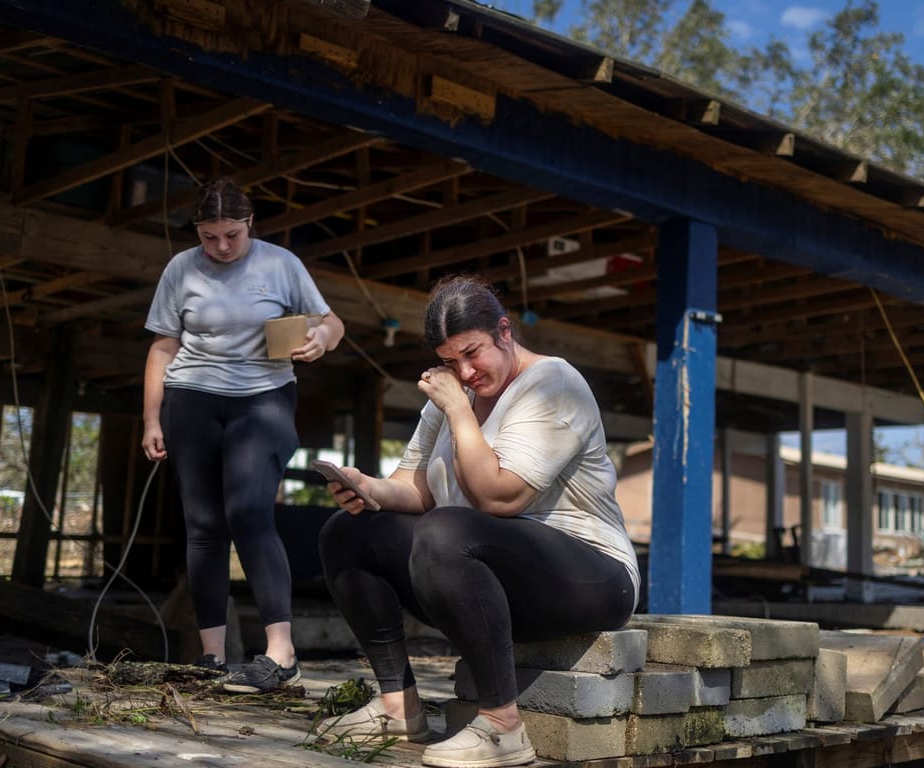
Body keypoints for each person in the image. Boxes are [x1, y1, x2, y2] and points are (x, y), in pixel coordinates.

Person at [315, 275, 639, 768]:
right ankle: (397, 705)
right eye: (450, 361)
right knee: (350, 531)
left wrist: (457, 411)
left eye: (473, 353)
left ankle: (503, 728)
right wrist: (365, 487)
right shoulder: (454, 396)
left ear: (505, 332)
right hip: (487, 573)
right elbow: (415, 488)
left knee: (446, 530)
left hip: (591, 577)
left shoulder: (554, 384)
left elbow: (498, 497)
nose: (464, 373)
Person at [141, 176, 345, 693]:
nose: (221, 246)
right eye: (209, 236)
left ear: (249, 224)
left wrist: (320, 338)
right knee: (204, 525)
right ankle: (211, 657)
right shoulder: (181, 268)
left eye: (230, 234)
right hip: (192, 398)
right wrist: (151, 419)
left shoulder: (281, 265)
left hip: (264, 397)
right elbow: (163, 348)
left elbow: (331, 321)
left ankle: (281, 653)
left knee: (249, 512)